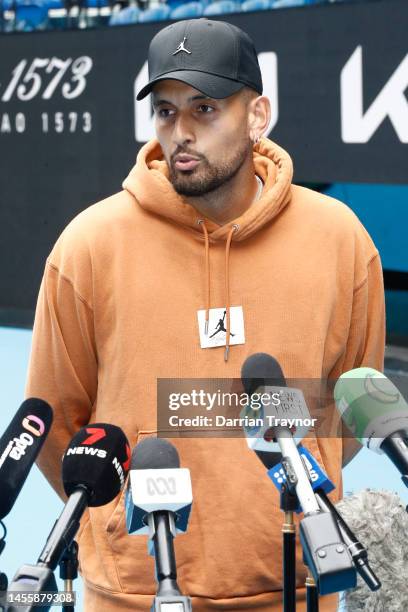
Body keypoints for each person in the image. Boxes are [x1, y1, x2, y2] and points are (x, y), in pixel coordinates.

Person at [26, 17, 385, 612]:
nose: (181, 133)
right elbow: (57, 425)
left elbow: (348, 407)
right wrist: (115, 523)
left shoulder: (339, 239)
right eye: (166, 112)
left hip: (298, 581)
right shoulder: (88, 244)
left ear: (257, 114)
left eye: (205, 109)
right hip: (131, 593)